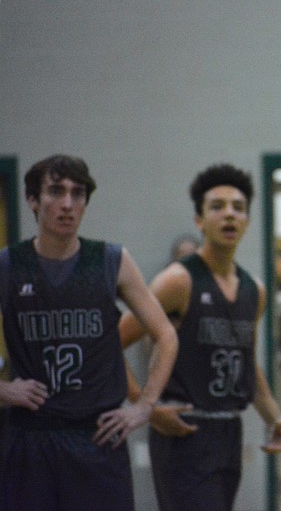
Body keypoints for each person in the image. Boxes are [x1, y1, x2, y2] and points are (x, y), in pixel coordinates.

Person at [0, 154, 178, 511]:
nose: (67, 204)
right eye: (55, 191)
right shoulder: (9, 265)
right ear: (33, 200)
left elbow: (166, 335)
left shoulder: (111, 260)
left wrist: (144, 406)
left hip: (96, 436)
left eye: (77, 193)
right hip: (31, 439)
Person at [119, 163, 281, 511]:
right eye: (217, 206)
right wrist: (145, 408)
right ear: (199, 220)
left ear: (247, 220)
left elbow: (246, 364)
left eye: (238, 208)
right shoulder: (178, 281)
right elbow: (111, 342)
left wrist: (274, 417)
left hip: (228, 431)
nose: (229, 215)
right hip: (183, 430)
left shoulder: (253, 290)